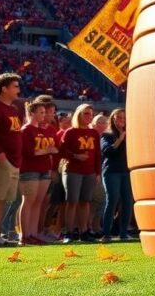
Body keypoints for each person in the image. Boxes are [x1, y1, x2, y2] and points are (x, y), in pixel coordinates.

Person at [60, 103, 101, 243]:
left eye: (91, 114)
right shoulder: (70, 132)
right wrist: (75, 156)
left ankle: (84, 231)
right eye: (86, 113)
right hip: (73, 170)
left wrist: (97, 172)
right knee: (72, 202)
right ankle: (69, 232)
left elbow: (97, 155)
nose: (89, 116)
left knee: (85, 202)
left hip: (89, 172)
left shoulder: (94, 133)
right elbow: (62, 151)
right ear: (79, 114)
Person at [18, 98, 57, 245]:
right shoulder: (26, 130)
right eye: (41, 112)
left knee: (38, 203)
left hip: (43, 168)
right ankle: (24, 234)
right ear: (32, 113)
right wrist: (46, 150)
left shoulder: (41, 130)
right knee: (28, 201)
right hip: (30, 169)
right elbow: (28, 152)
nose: (44, 114)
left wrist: (47, 151)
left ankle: (33, 233)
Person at [0, 73, 22, 248]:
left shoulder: (13, 109)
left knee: (4, 201)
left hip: (14, 162)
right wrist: (3, 158)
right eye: (14, 86)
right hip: (2, 162)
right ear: (4, 89)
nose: (18, 89)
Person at [100, 108, 133, 242]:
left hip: (126, 171)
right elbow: (107, 151)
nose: (122, 120)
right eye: (119, 117)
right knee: (112, 199)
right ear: (113, 119)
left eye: (124, 118)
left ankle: (123, 232)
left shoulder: (130, 134)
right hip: (111, 171)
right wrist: (120, 139)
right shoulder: (106, 135)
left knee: (127, 201)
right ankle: (106, 233)